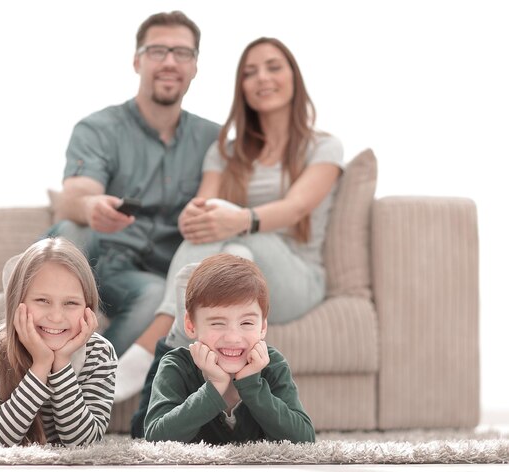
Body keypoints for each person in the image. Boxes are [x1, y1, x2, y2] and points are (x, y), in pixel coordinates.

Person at [123, 36, 345, 413]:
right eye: (250, 72)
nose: (262, 78)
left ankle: (154, 343)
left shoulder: (323, 146)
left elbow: (295, 207)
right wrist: (194, 215)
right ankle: (179, 378)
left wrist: (237, 218)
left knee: (231, 232)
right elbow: (204, 206)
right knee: (235, 251)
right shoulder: (225, 152)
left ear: (294, 76)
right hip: (241, 277)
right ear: (241, 87)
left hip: (296, 277)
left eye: (273, 66)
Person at [45, 11, 220, 379]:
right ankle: (16, 362)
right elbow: (75, 195)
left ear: (195, 66)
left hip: (152, 276)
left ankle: (67, 389)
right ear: (137, 60)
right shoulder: (99, 128)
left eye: (182, 53)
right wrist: (91, 206)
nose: (170, 61)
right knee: (68, 233)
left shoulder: (214, 140)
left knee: (157, 295)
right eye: (157, 51)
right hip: (101, 260)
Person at [0, 237, 117, 446]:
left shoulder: (100, 353)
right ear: (18, 300)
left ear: (88, 309)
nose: (56, 317)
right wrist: (41, 365)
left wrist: (61, 363)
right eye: (43, 300)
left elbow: (84, 445)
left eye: (71, 303)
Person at [144, 253, 315, 444]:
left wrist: (251, 385)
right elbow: (156, 439)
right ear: (191, 326)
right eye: (217, 323)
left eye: (247, 323)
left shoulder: (272, 364)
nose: (233, 338)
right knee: (138, 426)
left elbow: (305, 440)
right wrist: (214, 387)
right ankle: (176, 329)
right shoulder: (175, 365)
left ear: (263, 328)